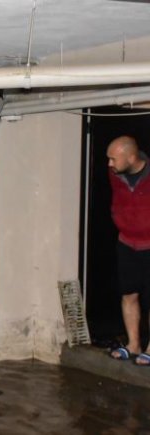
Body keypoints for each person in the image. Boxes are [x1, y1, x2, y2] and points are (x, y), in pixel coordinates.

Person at [106, 135, 150, 365]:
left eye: (113, 159)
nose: (109, 164)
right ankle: (134, 344)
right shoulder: (115, 175)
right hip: (126, 243)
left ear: (131, 157)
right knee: (129, 294)